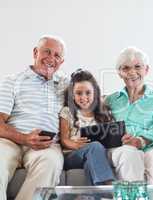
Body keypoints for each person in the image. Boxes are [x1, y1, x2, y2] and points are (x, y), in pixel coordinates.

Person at [0, 35, 68, 200]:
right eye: (47, 52)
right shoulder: (12, 81)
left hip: (46, 145)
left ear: (62, 62)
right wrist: (23, 138)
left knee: (51, 162)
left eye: (57, 55)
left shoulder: (66, 86)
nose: (51, 58)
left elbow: (89, 100)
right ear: (35, 52)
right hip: (9, 141)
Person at [105, 47, 153, 184]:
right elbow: (103, 128)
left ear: (146, 70)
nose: (132, 72)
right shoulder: (110, 100)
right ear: (119, 73)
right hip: (122, 148)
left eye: (138, 67)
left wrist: (141, 140)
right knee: (129, 154)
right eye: (125, 68)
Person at [59, 69, 115, 185]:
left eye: (88, 93)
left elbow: (111, 137)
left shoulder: (103, 112)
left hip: (95, 155)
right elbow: (64, 140)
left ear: (95, 92)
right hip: (73, 155)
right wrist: (75, 144)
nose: (84, 97)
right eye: (79, 93)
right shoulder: (67, 112)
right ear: (72, 95)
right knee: (94, 146)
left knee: (91, 162)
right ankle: (109, 187)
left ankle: (93, 196)